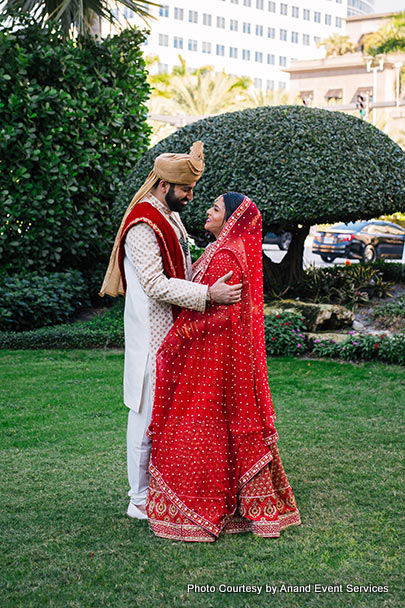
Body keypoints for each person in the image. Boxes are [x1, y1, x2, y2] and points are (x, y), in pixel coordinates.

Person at [146, 192, 301, 541]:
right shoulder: (223, 249)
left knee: (200, 425)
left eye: (215, 208)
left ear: (230, 219)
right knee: (222, 425)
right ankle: (241, 507)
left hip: (211, 357)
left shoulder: (226, 254)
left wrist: (175, 339)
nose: (207, 211)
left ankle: (199, 508)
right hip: (217, 354)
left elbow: (220, 314)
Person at [99, 142, 242, 521]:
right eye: (186, 190)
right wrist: (208, 294)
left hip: (173, 332)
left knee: (166, 416)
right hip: (151, 336)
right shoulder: (144, 224)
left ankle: (163, 488)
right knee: (144, 416)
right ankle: (138, 499)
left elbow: (181, 268)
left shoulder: (170, 215)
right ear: (164, 186)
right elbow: (155, 284)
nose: (191, 197)